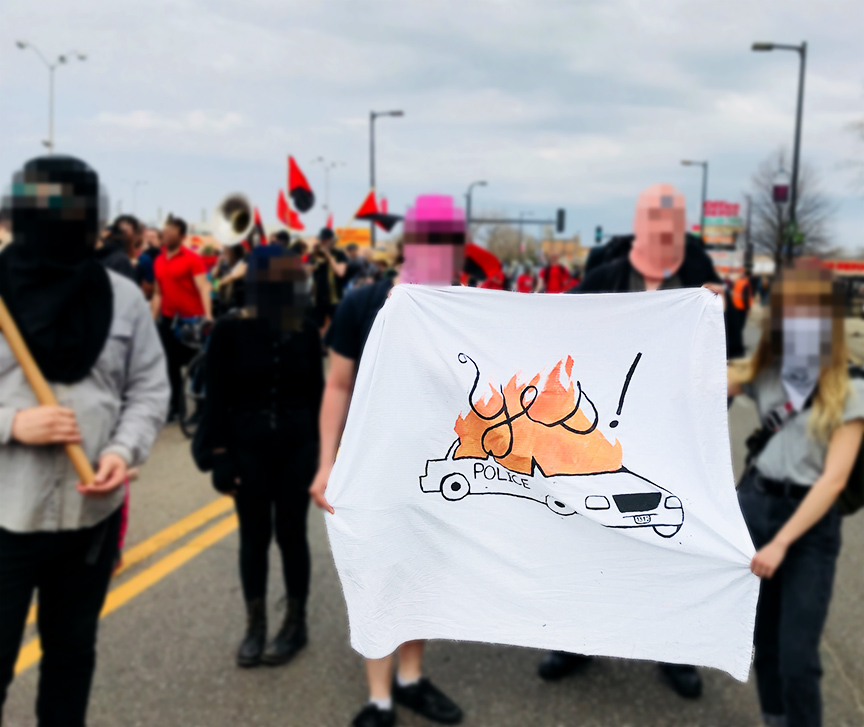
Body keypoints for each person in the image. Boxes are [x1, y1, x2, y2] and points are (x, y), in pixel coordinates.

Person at [0, 156, 169, 727]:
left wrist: (123, 451)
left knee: (71, 659)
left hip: (90, 518)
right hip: (4, 518)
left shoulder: (122, 298)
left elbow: (148, 390)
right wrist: (12, 424)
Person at [539, 183, 723, 699]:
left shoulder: (700, 278)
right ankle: (577, 641)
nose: (664, 230)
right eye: (654, 219)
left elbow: (726, 359)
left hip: (676, 438)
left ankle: (674, 649)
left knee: (673, 544)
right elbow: (547, 323)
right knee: (589, 538)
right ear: (640, 225)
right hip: (606, 436)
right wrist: (431, 300)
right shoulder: (605, 277)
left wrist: (721, 313)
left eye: (673, 221)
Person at [310, 196, 464, 727]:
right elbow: (338, 384)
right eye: (430, 240)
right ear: (408, 244)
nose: (438, 252)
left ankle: (411, 678)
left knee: (421, 574)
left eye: (448, 243)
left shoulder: (463, 309)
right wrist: (326, 463)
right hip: (372, 468)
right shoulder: (362, 302)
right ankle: (380, 698)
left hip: (435, 468)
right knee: (376, 576)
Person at [730, 263, 863, 727]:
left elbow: (834, 480)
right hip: (755, 507)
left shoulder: (851, 386)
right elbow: (699, 377)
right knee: (763, 642)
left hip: (808, 526)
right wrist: (702, 310)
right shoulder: (766, 371)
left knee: (798, 658)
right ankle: (775, 719)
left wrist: (782, 542)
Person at [203, 246, 323, 668]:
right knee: (253, 537)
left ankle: (295, 623)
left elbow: (317, 395)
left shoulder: (305, 329)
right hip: (246, 448)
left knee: (292, 535)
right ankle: (255, 625)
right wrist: (219, 455)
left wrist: (326, 455)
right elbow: (215, 397)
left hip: (298, 448)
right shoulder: (228, 330)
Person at [151, 215, 212, 422]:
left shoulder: (192, 259)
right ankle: (176, 408)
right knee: (169, 365)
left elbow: (204, 287)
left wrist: (208, 316)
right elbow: (157, 294)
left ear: (182, 236)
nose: (166, 234)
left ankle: (202, 409)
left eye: (171, 232)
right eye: (165, 231)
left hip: (193, 320)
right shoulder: (158, 260)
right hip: (169, 321)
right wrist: (151, 321)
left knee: (197, 367)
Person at [311, 227, 348, 334]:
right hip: (318, 298)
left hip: (334, 298)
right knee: (317, 327)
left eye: (325, 240)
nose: (322, 242)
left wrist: (328, 255)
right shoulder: (316, 255)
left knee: (337, 327)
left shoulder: (339, 254)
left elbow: (340, 272)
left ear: (331, 240)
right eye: (321, 240)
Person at [726, 273, 754, 359]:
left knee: (736, 326)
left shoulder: (737, 281)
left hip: (735, 306)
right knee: (740, 327)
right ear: (748, 276)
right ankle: (736, 345)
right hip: (742, 308)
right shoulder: (746, 283)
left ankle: (735, 343)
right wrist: (747, 309)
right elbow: (746, 296)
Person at [136, 227, 162, 300]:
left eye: (153, 237)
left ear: (160, 240)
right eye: (146, 237)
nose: (149, 240)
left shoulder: (163, 256)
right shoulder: (138, 256)